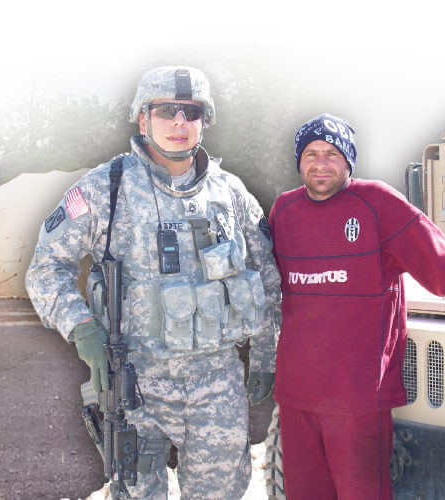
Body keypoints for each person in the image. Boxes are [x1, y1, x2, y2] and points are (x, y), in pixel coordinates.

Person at [25, 66, 280, 500]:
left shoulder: (231, 194)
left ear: (206, 121)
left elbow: (268, 278)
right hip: (137, 385)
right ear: (142, 119)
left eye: (191, 111)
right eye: (166, 111)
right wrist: (83, 329)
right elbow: (46, 267)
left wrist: (265, 355)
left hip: (216, 384)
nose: (179, 123)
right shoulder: (107, 188)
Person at [268, 113, 445, 499]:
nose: (320, 163)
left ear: (348, 161)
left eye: (332, 154)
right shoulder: (283, 211)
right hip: (297, 392)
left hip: (357, 396)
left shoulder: (378, 204)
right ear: (299, 160)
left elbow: (442, 261)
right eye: (311, 154)